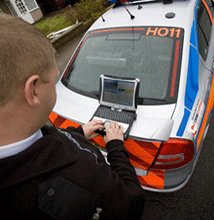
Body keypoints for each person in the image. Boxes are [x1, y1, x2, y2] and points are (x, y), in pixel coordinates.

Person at [0, 13, 145, 220]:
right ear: (33, 91)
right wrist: (116, 146)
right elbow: (133, 202)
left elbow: (47, 135)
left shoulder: (22, 127)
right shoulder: (79, 184)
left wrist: (77, 134)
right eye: (53, 79)